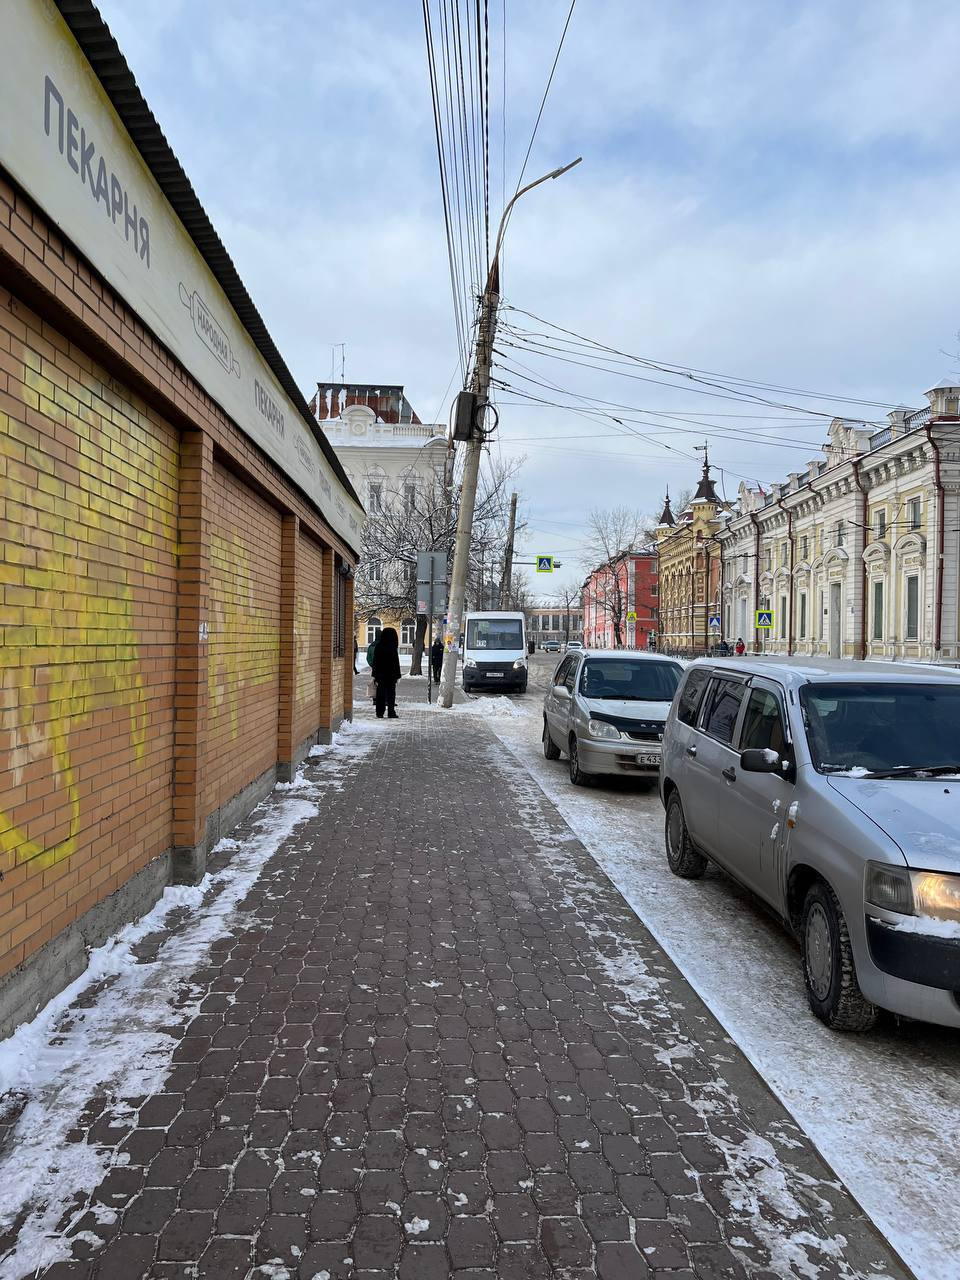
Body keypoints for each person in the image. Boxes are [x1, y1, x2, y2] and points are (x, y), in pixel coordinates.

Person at [371, 626, 402, 719]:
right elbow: (396, 663)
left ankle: (379, 712)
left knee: (380, 694)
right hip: (391, 675)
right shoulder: (392, 648)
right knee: (391, 694)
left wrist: (374, 675)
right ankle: (391, 712)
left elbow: (375, 662)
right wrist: (398, 675)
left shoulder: (379, 646)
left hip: (380, 675)